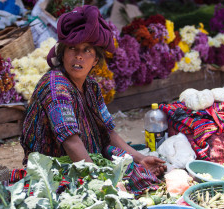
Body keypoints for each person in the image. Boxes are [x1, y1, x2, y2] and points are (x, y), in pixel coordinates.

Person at [20, 5, 166, 192]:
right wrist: (99, 183)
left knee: (126, 164)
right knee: (126, 185)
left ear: (96, 60)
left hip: (87, 156)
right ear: (63, 54)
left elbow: (108, 132)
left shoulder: (91, 86)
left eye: (87, 50)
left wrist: (140, 158)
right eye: (72, 48)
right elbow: (71, 142)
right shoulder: (56, 86)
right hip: (54, 168)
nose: (79, 56)